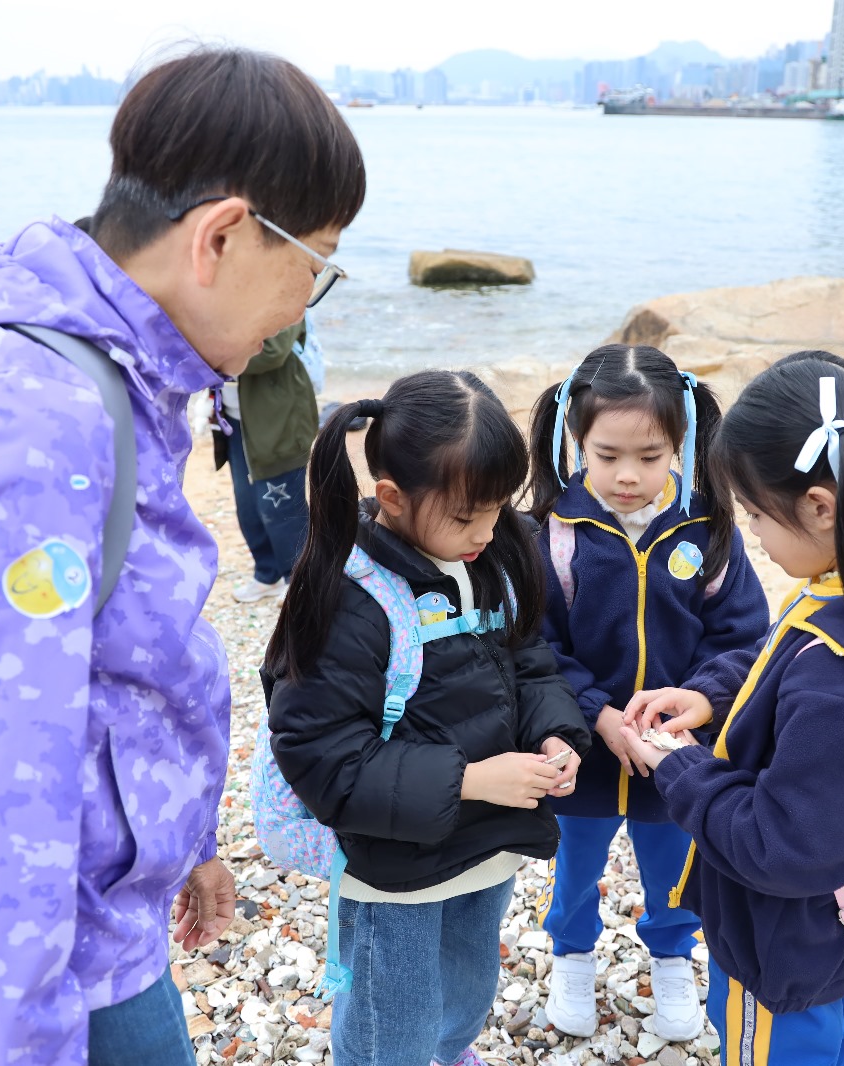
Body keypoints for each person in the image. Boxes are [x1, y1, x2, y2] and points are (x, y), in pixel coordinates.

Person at [0, 48, 366, 1066]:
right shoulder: (25, 424)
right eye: (318, 262)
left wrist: (185, 843)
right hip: (61, 960)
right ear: (220, 236)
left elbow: (122, 662)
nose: (306, 303)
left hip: (104, 910)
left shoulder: (110, 369)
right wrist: (25, 1044)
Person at [619, 357, 844, 1066]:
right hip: (839, 921)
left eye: (755, 516)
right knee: (837, 1034)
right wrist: (714, 695)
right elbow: (789, 654)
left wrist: (680, 768)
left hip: (780, 941)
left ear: (819, 507)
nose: (753, 536)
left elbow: (778, 848)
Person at [264, 370, 593, 1066]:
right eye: (467, 516)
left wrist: (555, 733)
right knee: (395, 1020)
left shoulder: (493, 558)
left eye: (498, 509)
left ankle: (450, 1052)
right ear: (392, 498)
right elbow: (323, 754)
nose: (488, 531)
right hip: (396, 865)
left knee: (468, 989)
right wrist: (471, 780)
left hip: (491, 841)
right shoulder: (350, 598)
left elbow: (528, 663)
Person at [523, 345, 769, 1041]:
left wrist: (699, 701)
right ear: (576, 439)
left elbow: (743, 637)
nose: (627, 475)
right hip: (580, 748)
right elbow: (535, 645)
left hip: (676, 750)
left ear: (681, 445)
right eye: (607, 455)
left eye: (650, 456)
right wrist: (597, 715)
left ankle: (671, 957)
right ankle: (571, 954)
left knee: (675, 865)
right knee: (575, 864)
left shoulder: (707, 530)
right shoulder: (553, 533)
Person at [211, 312, 324, 602]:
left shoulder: (283, 294)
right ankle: (267, 573)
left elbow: (272, 351)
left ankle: (300, 579)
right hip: (234, 419)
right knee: (247, 504)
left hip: (278, 417)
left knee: (281, 505)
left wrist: (210, 352)